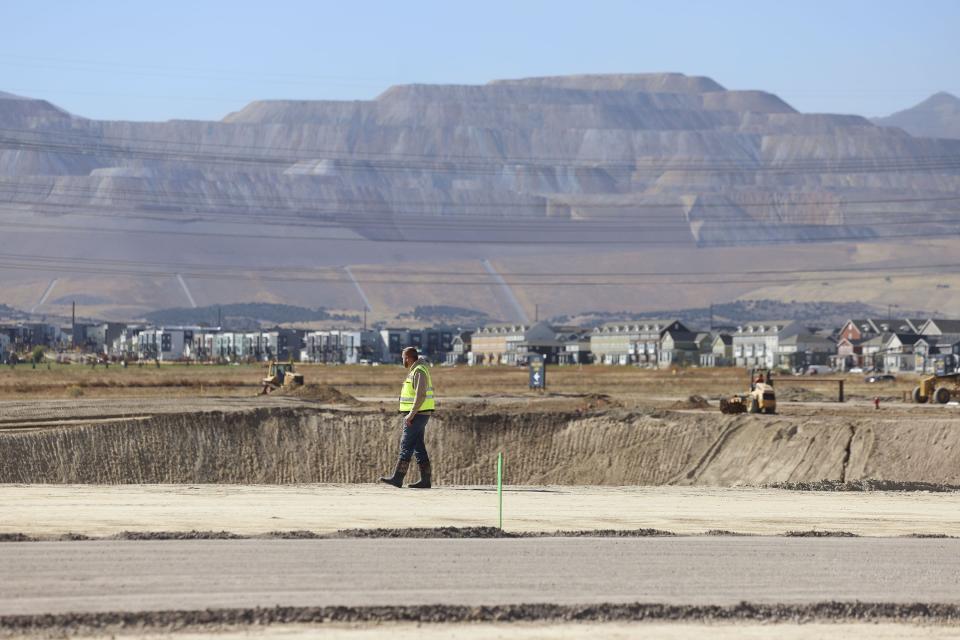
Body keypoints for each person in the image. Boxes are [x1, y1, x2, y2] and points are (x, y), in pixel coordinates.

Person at [380, 346, 435, 489]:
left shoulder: (419, 371)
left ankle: (397, 478)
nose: (402, 360)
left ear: (409, 358)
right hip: (419, 413)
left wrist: (411, 414)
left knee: (406, 444)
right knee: (418, 446)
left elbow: (420, 394)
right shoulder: (416, 370)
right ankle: (425, 480)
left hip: (417, 414)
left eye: (403, 357)